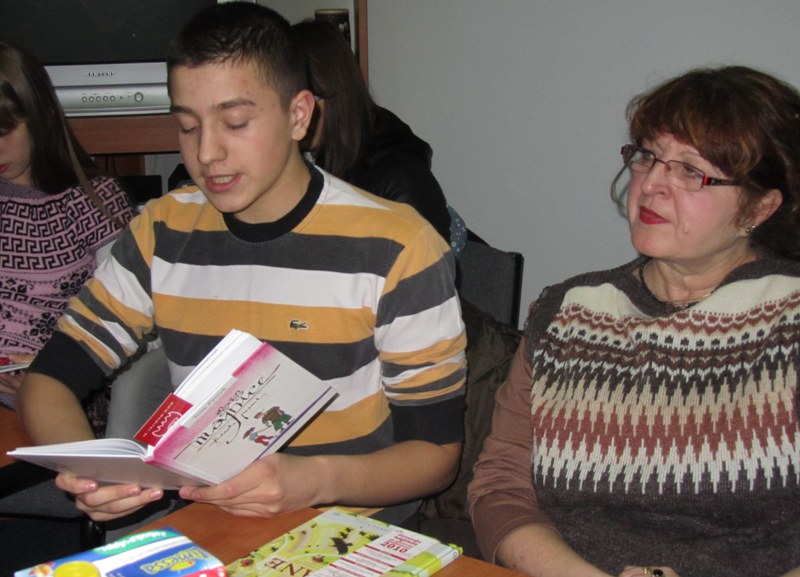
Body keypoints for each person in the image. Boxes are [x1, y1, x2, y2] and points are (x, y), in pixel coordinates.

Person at [17, 0, 466, 532]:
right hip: (212, 521)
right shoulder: (162, 230)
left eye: (234, 123)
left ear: (299, 115)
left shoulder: (397, 245)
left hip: (351, 526)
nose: (207, 153)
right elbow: (49, 378)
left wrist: (313, 480)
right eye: (187, 126)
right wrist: (89, 473)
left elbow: (435, 455)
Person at [467, 65, 800, 577]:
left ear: (759, 207)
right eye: (648, 156)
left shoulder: (788, 319)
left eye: (691, 171)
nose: (653, 184)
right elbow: (502, 486)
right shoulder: (567, 311)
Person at [0, 41, 137, 411]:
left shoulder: (92, 201)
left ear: (39, 116)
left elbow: (134, 322)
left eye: (4, 132)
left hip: (57, 393)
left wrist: (56, 372)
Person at [293, 19, 461, 252]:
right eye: (288, 102)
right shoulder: (301, 161)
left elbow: (428, 270)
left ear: (339, 95)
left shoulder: (400, 177)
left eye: (311, 99)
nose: (298, 115)